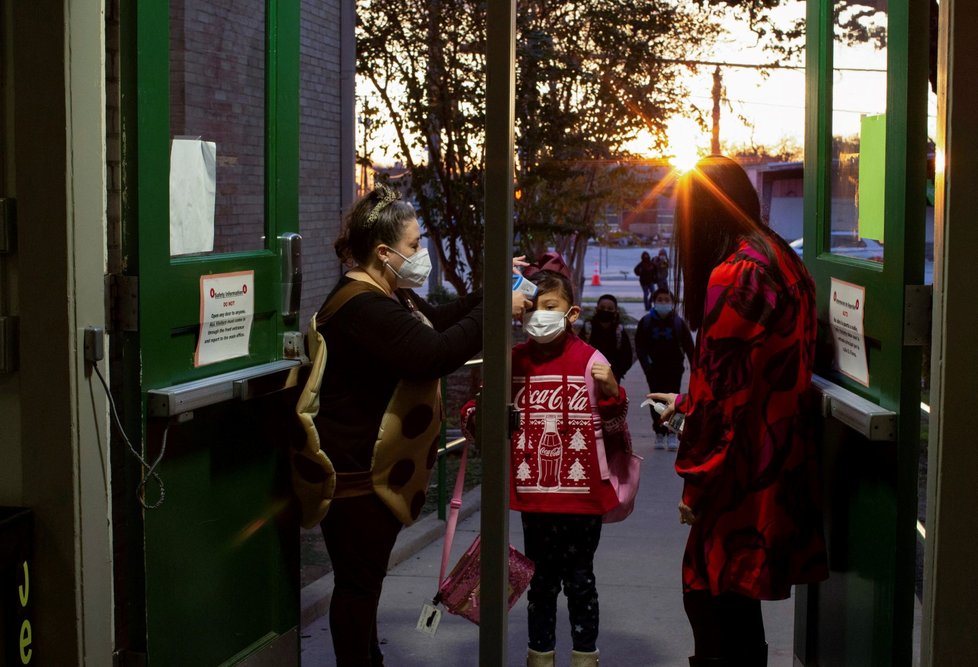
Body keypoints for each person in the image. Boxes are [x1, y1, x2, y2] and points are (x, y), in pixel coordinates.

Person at [310, 185, 529, 666]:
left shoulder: (386, 294)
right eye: (413, 246)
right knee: (358, 585)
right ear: (384, 252)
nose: (421, 254)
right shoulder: (362, 306)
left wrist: (495, 291)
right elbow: (435, 354)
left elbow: (441, 320)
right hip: (355, 474)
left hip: (370, 469)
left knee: (364, 582)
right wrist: (496, 309)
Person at [648, 156, 828, 667]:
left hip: (739, 478)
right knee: (737, 608)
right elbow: (751, 376)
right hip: (776, 463)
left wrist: (695, 486)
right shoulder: (779, 258)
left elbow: (724, 400)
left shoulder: (737, 274)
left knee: (710, 603)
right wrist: (683, 402)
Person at [466, 256, 627, 667]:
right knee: (540, 585)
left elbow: (615, 431)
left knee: (580, 583)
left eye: (550, 306)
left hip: (583, 500)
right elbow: (478, 415)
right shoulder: (511, 360)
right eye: (534, 306)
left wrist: (613, 393)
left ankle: (584, 658)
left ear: (571, 313)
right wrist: (477, 409)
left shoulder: (593, 361)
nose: (540, 315)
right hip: (534, 498)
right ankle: (539, 658)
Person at [635, 287, 694, 451]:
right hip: (654, 370)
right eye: (660, 299)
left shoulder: (678, 323)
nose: (663, 302)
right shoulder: (646, 322)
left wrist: (696, 368)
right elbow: (640, 347)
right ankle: (659, 432)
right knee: (655, 402)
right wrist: (647, 367)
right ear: (654, 302)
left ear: (672, 303)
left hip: (674, 370)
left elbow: (690, 347)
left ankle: (673, 433)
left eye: (666, 300)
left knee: (675, 402)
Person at [579, 293, 634, 382]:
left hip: (613, 377)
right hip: (589, 376)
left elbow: (627, 355)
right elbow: (579, 351)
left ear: (615, 312)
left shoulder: (619, 331)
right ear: (597, 309)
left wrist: (618, 372)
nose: (606, 311)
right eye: (602, 308)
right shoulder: (588, 328)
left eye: (610, 309)